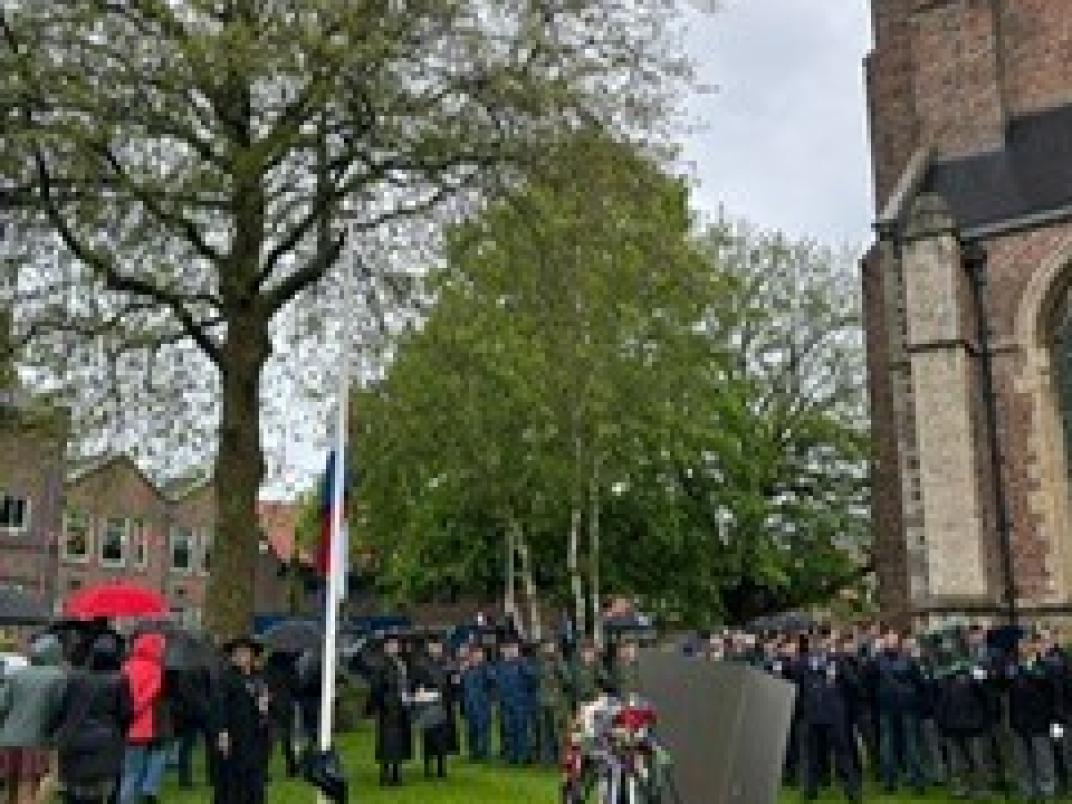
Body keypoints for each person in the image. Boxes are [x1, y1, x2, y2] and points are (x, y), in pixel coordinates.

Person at [54, 634, 131, 804]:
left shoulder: (75, 678)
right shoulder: (119, 680)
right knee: (101, 790)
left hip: (74, 738)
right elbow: (125, 713)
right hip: (105, 742)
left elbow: (63, 708)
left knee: (75, 791)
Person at [0, 634, 66, 804]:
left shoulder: (17, 675)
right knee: (28, 788)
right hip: (36, 740)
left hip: (7, 739)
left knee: (10, 789)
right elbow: (59, 709)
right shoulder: (58, 677)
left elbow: (2, 706)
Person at [797, 635, 862, 803]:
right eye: (815, 643)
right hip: (812, 716)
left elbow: (853, 683)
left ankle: (852, 791)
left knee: (843, 754)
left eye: (822, 643)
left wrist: (841, 699)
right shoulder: (803, 662)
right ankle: (810, 791)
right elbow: (796, 685)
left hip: (834, 716)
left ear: (828, 645)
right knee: (812, 755)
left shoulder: (837, 660)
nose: (818, 646)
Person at [212, 636, 272, 804]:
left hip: (256, 736)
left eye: (245, 653)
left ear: (252, 655)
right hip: (235, 737)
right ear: (232, 657)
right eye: (237, 653)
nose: (241, 657)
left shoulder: (259, 678)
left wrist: (265, 707)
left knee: (255, 780)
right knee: (233, 780)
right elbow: (219, 706)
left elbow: (267, 706)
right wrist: (222, 732)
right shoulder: (226, 679)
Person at [119, 633, 171, 804]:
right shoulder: (156, 670)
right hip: (144, 725)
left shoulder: (126, 666)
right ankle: (147, 790)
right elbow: (150, 694)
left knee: (129, 772)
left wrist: (128, 711)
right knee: (139, 768)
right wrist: (137, 708)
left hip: (126, 724)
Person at [1007, 634, 1059, 801]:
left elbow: (1047, 683)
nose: (1023, 649)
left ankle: (1047, 791)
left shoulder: (1046, 665)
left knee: (1042, 759)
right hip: (1018, 720)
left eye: (1026, 645)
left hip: (1039, 720)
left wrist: (1030, 668)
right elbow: (1006, 687)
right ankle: (1027, 791)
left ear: (1034, 647)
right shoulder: (1014, 667)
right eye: (1020, 646)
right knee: (1022, 761)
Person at [874, 629, 926, 794]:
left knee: (904, 745)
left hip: (900, 705)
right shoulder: (880, 660)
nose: (891, 643)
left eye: (893, 639)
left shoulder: (881, 660)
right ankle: (897, 782)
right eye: (889, 639)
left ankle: (906, 781)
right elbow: (919, 683)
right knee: (894, 745)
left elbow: (919, 682)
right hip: (894, 705)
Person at [411, 635, 459, 779]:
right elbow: (414, 685)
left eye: (438, 646)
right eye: (433, 646)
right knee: (430, 737)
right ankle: (428, 766)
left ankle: (441, 766)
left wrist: (455, 683)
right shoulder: (421, 664)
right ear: (428, 647)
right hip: (429, 705)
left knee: (443, 737)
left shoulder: (446, 663)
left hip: (445, 704)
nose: (436, 649)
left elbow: (452, 684)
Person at [369, 634, 412, 786]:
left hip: (401, 706)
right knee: (387, 741)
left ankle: (396, 772)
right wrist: (383, 703)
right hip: (387, 707)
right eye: (391, 644)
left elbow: (405, 683)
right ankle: (384, 773)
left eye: (396, 644)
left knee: (399, 740)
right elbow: (376, 687)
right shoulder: (380, 664)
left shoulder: (401, 663)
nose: (395, 647)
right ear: (385, 647)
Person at [261, 651, 300, 778]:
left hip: (272, 706)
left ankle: (264, 769)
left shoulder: (268, 667)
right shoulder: (290, 667)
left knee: (269, 740)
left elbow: (264, 685)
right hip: (287, 706)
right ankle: (292, 767)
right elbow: (296, 686)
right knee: (287, 739)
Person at [533, 639, 569, 767]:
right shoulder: (538, 661)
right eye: (546, 646)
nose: (548, 648)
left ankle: (563, 759)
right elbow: (535, 678)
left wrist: (558, 663)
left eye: (550, 645)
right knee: (544, 733)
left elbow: (567, 679)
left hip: (557, 702)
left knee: (559, 732)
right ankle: (546, 759)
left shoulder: (559, 660)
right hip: (542, 701)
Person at [460, 645, 494, 761]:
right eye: (475, 654)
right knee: (472, 729)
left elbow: (492, 684)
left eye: (480, 654)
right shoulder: (466, 670)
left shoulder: (486, 669)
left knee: (483, 728)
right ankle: (474, 751)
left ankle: (484, 751)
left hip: (483, 703)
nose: (477, 657)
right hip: (470, 704)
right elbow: (459, 686)